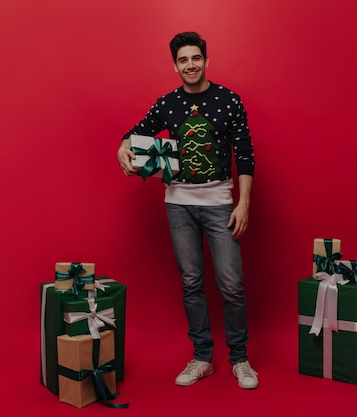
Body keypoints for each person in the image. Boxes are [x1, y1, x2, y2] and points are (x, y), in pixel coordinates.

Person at [117, 32, 258, 390]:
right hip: (178, 204)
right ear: (175, 65)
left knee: (231, 284)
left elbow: (244, 156)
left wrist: (243, 203)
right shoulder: (167, 104)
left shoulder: (228, 100)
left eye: (196, 58)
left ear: (206, 61)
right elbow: (136, 134)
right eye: (183, 60)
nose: (190, 65)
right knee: (191, 282)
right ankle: (202, 358)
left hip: (220, 204)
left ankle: (240, 359)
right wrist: (122, 147)